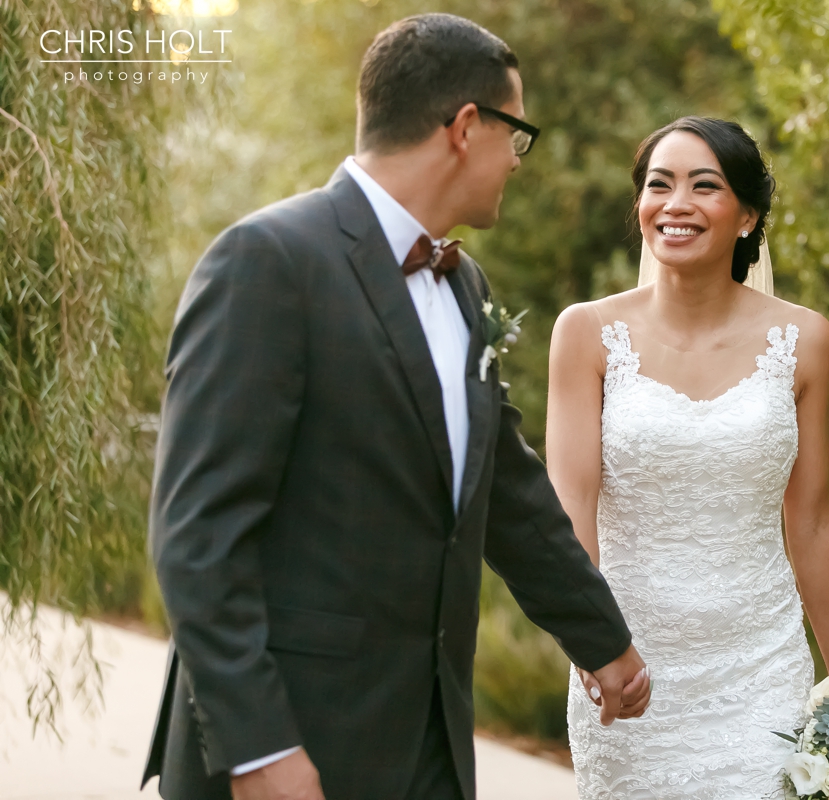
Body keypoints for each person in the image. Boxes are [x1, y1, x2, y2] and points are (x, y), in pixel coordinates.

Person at [141, 14, 649, 800]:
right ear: (466, 127)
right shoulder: (268, 261)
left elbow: (505, 491)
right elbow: (196, 535)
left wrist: (602, 638)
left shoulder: (464, 284)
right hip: (295, 744)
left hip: (430, 741)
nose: (517, 161)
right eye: (516, 135)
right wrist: (257, 748)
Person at [547, 116, 829, 799]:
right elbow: (570, 506)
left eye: (704, 185)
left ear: (747, 215)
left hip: (762, 668)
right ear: (639, 208)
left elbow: (811, 524)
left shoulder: (806, 340)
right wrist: (591, 644)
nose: (676, 202)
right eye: (659, 184)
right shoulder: (585, 334)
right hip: (629, 671)